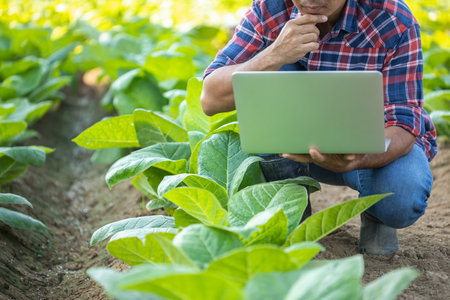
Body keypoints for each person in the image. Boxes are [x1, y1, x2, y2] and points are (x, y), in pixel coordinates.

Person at [200, 0, 437, 256]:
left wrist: (357, 159)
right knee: (273, 70)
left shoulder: (392, 19)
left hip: (365, 150)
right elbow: (210, 99)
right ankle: (290, 207)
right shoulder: (270, 9)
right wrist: (274, 55)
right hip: (286, 150)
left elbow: (403, 125)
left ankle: (376, 214)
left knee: (402, 194)